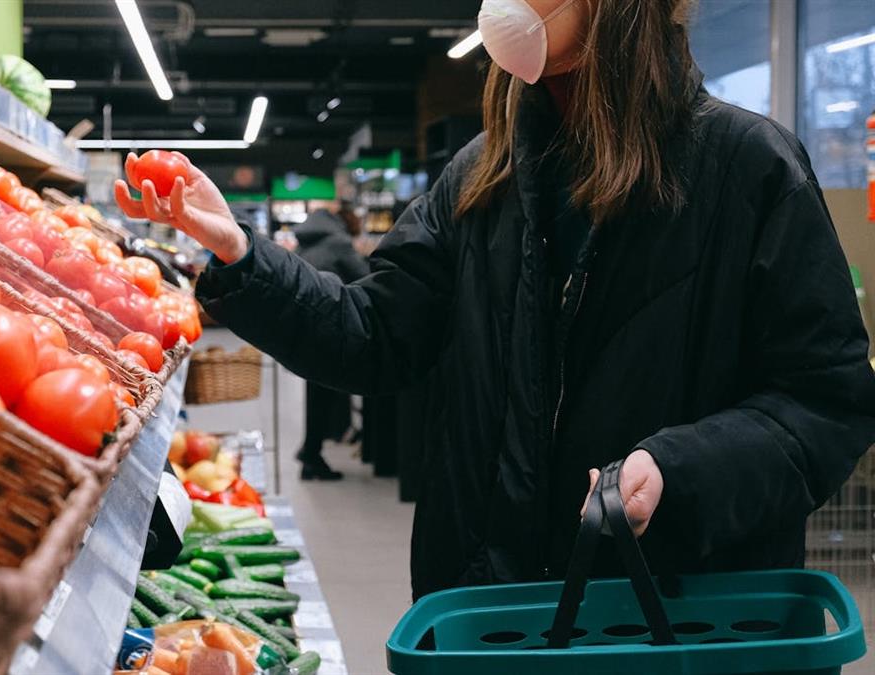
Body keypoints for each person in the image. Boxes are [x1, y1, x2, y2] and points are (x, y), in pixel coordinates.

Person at [116, 0, 875, 600]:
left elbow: (827, 399)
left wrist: (682, 468)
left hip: (671, 616)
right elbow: (372, 333)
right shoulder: (484, 176)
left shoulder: (748, 170)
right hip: (495, 609)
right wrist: (241, 255)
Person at [290, 203, 369, 480]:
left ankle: (311, 451)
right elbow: (365, 279)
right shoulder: (339, 242)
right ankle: (312, 455)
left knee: (318, 393)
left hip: (304, 327)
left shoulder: (306, 241)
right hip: (328, 328)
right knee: (325, 394)